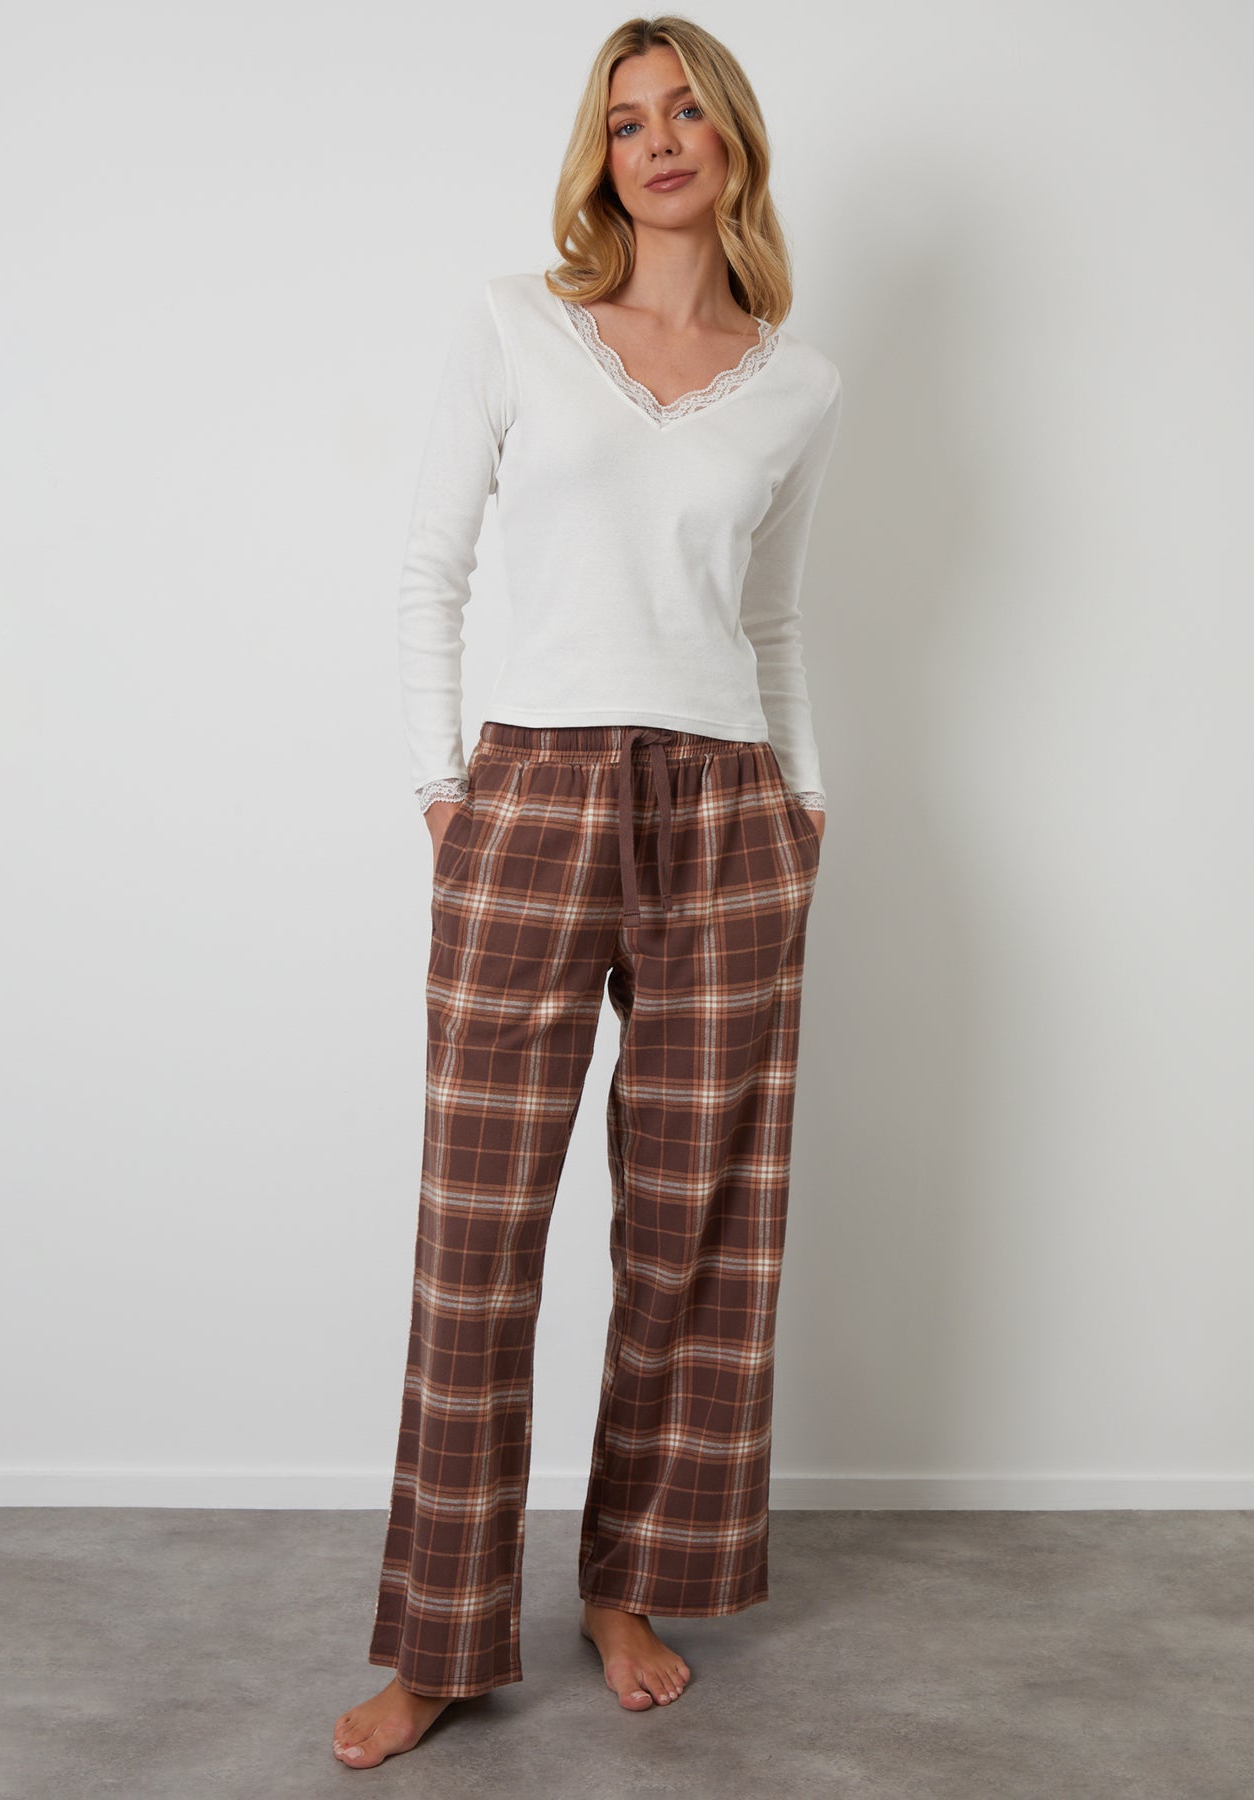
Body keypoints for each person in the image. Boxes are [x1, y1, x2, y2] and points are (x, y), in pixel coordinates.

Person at [333, 15, 843, 1770]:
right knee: (477, 1235)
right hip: (533, 791)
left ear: (732, 138)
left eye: (686, 109)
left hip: (726, 810)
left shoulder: (799, 384)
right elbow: (430, 564)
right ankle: (441, 1638)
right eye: (627, 121)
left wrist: (805, 802)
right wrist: (442, 787)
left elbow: (770, 616)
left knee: (693, 1226)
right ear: (599, 156)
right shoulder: (515, 325)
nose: (659, 139)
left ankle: (630, 1582)